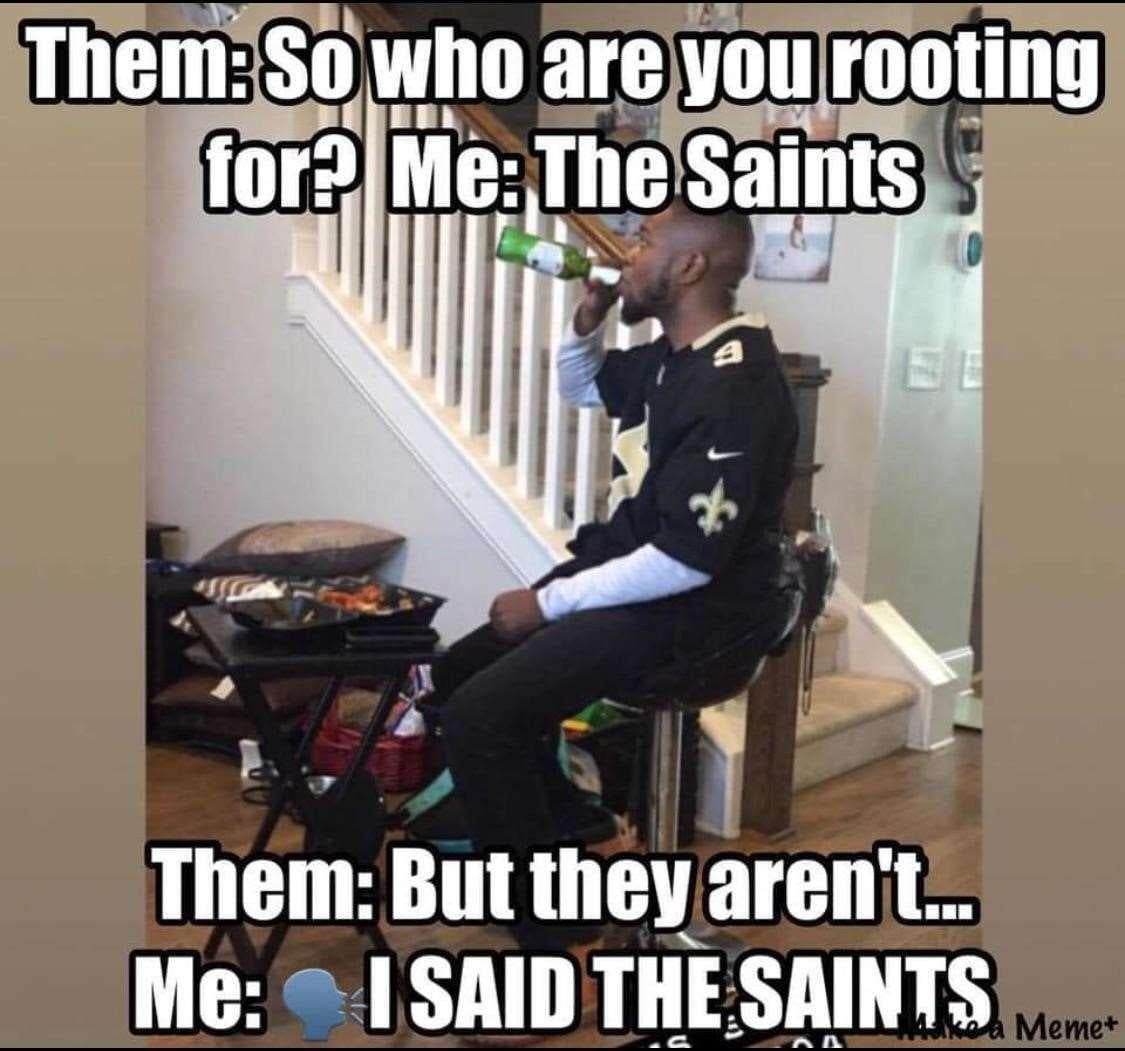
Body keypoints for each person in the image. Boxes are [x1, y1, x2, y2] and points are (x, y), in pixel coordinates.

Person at [430, 198, 800, 959]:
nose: (626, 249)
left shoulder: (735, 381)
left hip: (703, 606)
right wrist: (587, 319)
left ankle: (547, 941)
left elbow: (688, 559)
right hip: (646, 572)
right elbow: (584, 388)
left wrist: (548, 603)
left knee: (480, 717)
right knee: (460, 670)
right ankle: (579, 832)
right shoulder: (677, 355)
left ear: (689, 266)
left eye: (646, 240)